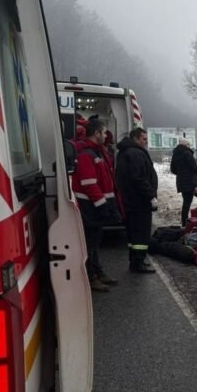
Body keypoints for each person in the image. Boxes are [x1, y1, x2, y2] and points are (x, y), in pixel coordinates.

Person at [72, 118, 121, 292]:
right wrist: (101, 204)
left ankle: (98, 271)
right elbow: (89, 184)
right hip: (90, 207)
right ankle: (90, 277)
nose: (106, 135)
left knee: (95, 241)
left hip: (96, 206)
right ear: (96, 133)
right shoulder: (87, 154)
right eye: (103, 132)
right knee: (90, 244)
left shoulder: (97, 152)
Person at [116, 127, 158, 273]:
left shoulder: (125, 152)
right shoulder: (135, 153)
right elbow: (139, 178)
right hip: (139, 202)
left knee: (133, 233)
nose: (145, 142)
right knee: (141, 233)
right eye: (143, 139)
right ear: (135, 138)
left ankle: (135, 260)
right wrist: (150, 196)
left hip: (131, 201)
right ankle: (138, 261)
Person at [171, 138, 197, 226]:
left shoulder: (175, 154)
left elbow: (173, 169)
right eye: (188, 145)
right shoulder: (187, 153)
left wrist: (181, 174)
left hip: (181, 182)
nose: (189, 146)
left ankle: (184, 223)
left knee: (186, 203)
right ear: (186, 145)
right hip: (191, 182)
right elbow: (194, 167)